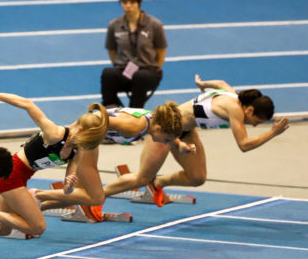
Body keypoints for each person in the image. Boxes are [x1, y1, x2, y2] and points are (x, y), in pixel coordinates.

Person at [0, 89, 107, 241]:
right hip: (11, 174)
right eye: (87, 139)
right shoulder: (55, 134)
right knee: (38, 227)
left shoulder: (77, 151)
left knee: (4, 230)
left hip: (22, 178)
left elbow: (67, 190)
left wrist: (70, 186)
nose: (86, 144)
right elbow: (27, 104)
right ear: (80, 130)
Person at [118, 75, 290, 205]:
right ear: (250, 110)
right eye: (257, 121)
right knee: (142, 177)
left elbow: (221, 83)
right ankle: (106, 192)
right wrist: (272, 133)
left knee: (197, 178)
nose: (254, 125)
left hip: (186, 131)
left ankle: (156, 183)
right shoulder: (235, 109)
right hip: (164, 130)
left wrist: (203, 84)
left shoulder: (232, 94)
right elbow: (244, 145)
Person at [94, 101, 186, 207]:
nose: (166, 143)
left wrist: (179, 144)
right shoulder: (134, 127)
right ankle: (90, 201)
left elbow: (168, 136)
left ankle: (92, 199)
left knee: (92, 194)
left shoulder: (153, 121)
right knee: (91, 196)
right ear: (158, 129)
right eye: (166, 140)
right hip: (86, 136)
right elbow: (94, 119)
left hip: (91, 139)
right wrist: (77, 135)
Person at [101, 0, 167, 109]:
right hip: (125, 70)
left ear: (139, 3)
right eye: (124, 2)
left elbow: (161, 50)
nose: (128, 6)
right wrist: (120, 66)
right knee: (108, 74)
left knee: (140, 76)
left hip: (148, 71)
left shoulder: (155, 24)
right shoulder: (114, 25)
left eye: (132, 2)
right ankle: (114, 110)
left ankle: (134, 113)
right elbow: (112, 50)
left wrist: (156, 68)